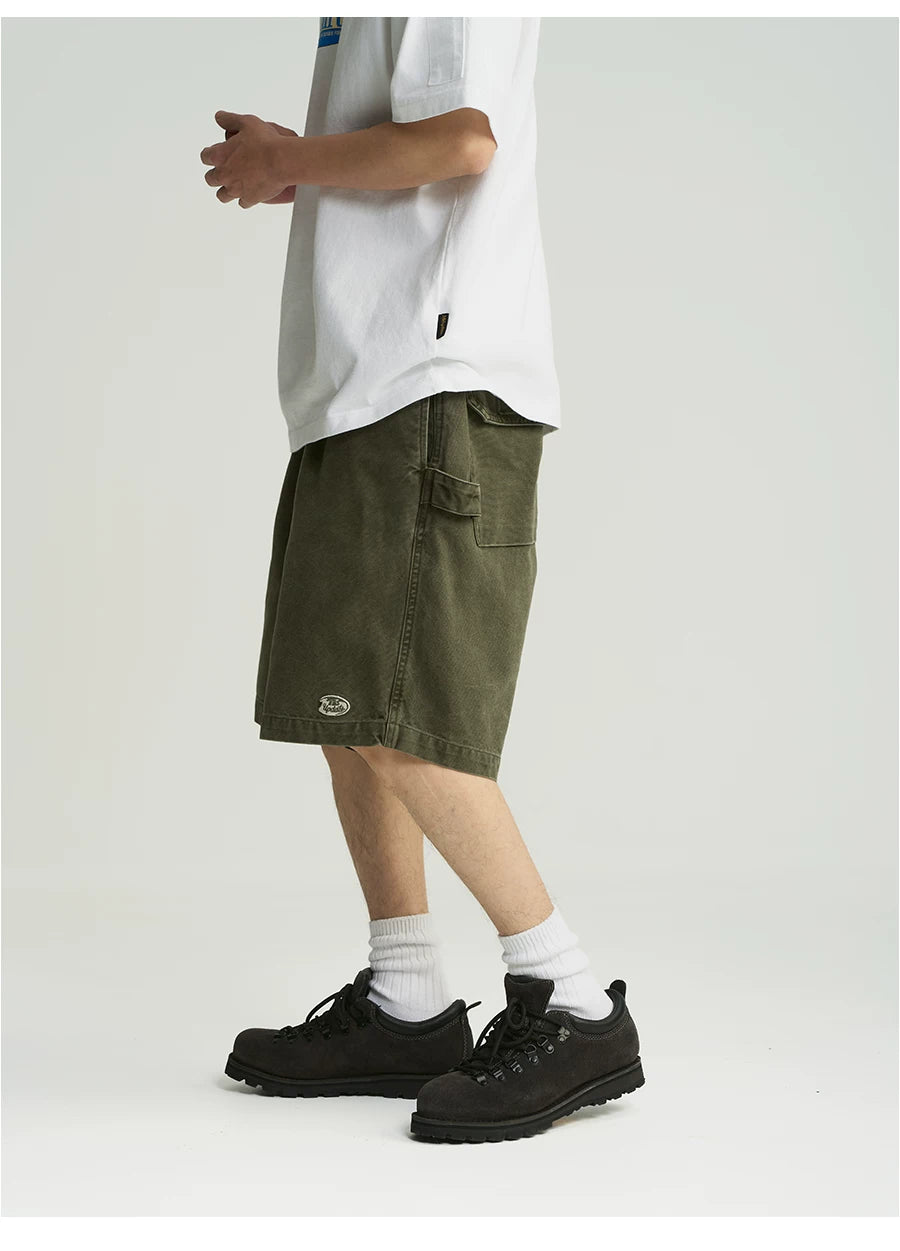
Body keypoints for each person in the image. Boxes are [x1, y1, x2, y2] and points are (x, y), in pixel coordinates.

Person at [200, 15, 644, 1143]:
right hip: (365, 387)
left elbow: (461, 141)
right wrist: (302, 163)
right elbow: (422, 147)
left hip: (427, 381)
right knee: (348, 715)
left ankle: (572, 999)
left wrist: (292, 157)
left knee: (402, 718)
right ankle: (407, 999)